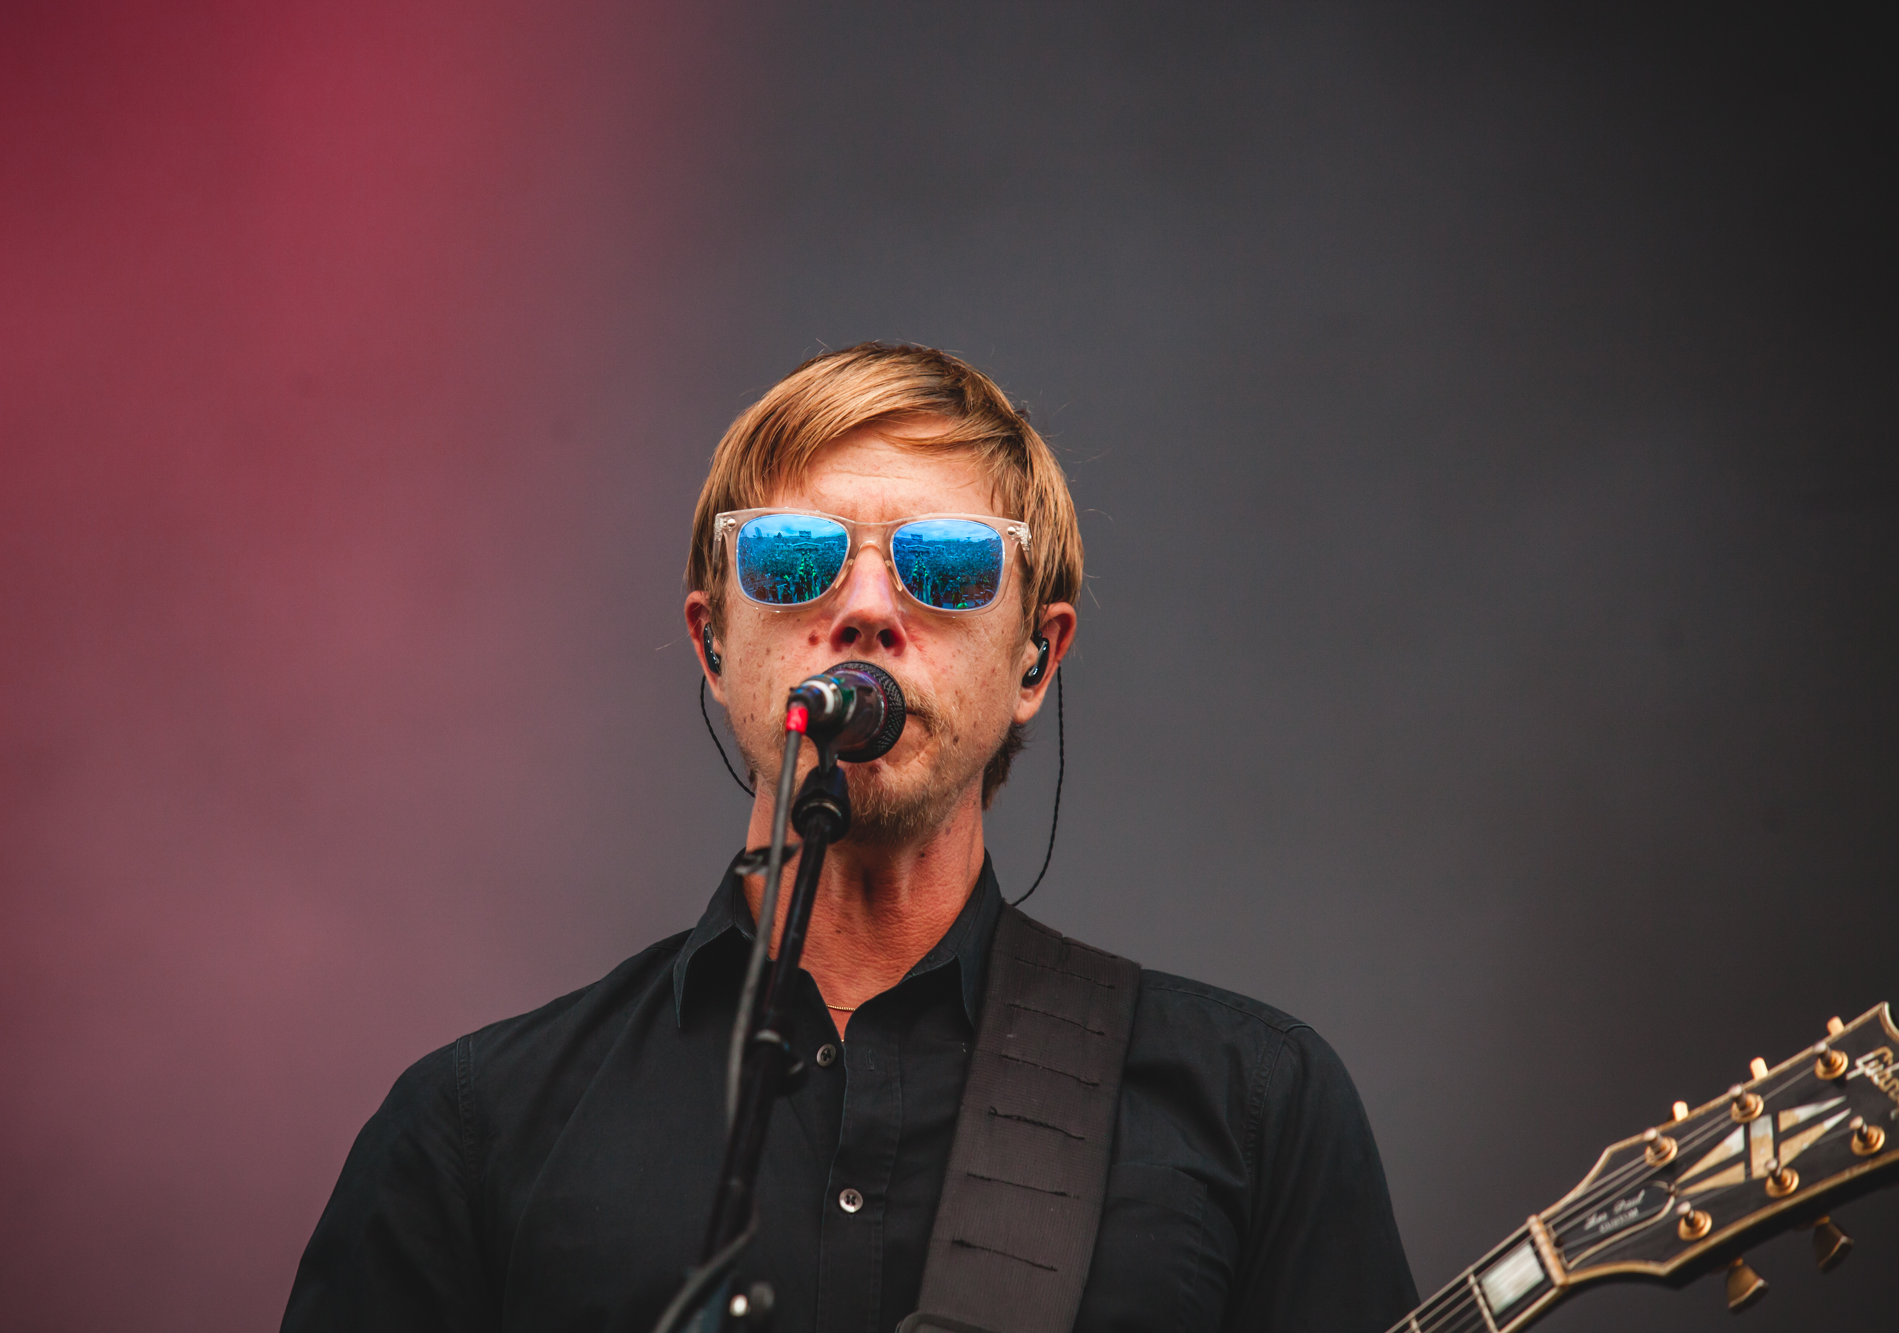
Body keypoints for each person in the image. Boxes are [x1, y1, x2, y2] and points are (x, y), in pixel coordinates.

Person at [282, 344, 1418, 1332]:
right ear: (713, 643)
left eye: (947, 564)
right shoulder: (473, 1128)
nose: (868, 607)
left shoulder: (1251, 1104)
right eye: (792, 557)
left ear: (1036, 657)